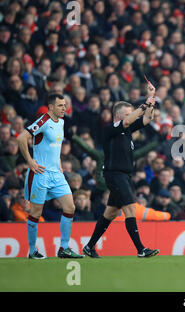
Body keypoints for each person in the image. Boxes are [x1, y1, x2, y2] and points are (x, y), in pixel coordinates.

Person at [83, 82, 160, 258]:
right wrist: (144, 104)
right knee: (131, 209)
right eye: (128, 113)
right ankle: (141, 249)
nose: (131, 117)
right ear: (117, 116)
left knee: (110, 213)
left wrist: (152, 99)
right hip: (115, 174)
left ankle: (89, 246)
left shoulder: (127, 130)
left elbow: (148, 119)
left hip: (124, 175)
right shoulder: (110, 129)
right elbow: (128, 120)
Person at [17, 93, 83, 259]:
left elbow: (54, 146)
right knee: (36, 213)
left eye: (65, 105)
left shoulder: (61, 122)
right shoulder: (43, 121)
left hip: (56, 174)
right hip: (40, 174)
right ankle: (32, 251)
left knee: (70, 207)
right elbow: (21, 138)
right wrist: (31, 161)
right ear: (51, 107)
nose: (64, 108)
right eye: (60, 105)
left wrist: (59, 161)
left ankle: (64, 249)